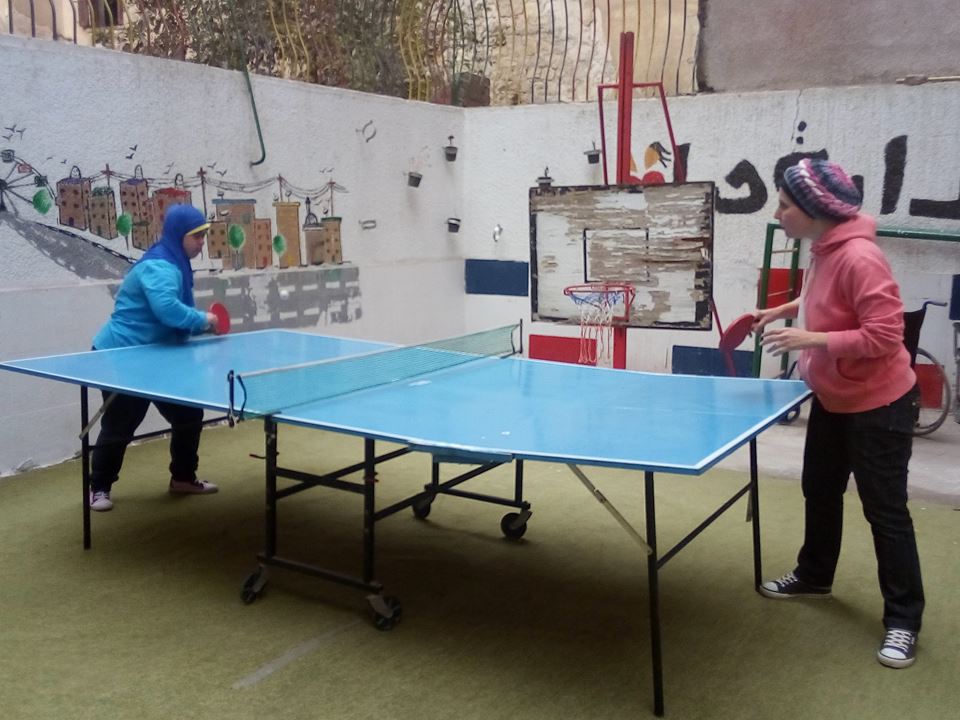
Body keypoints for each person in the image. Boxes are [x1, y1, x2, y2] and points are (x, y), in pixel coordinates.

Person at [752, 158, 924, 669]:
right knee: (820, 490)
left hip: (880, 405)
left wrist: (813, 340)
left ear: (814, 211)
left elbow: (885, 336)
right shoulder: (824, 247)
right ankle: (815, 576)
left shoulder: (860, 257)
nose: (778, 213)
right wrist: (781, 311)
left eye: (785, 206)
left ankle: (903, 620)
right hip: (833, 398)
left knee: (885, 512)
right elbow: (818, 299)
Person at [89, 204, 220, 512]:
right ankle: (99, 487)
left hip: (156, 357)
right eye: (196, 236)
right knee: (121, 424)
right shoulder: (160, 266)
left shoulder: (176, 262)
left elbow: (168, 318)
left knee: (188, 415)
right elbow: (168, 310)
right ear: (179, 235)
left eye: (203, 235)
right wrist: (205, 320)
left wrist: (196, 328)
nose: (201, 242)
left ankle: (183, 478)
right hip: (123, 355)